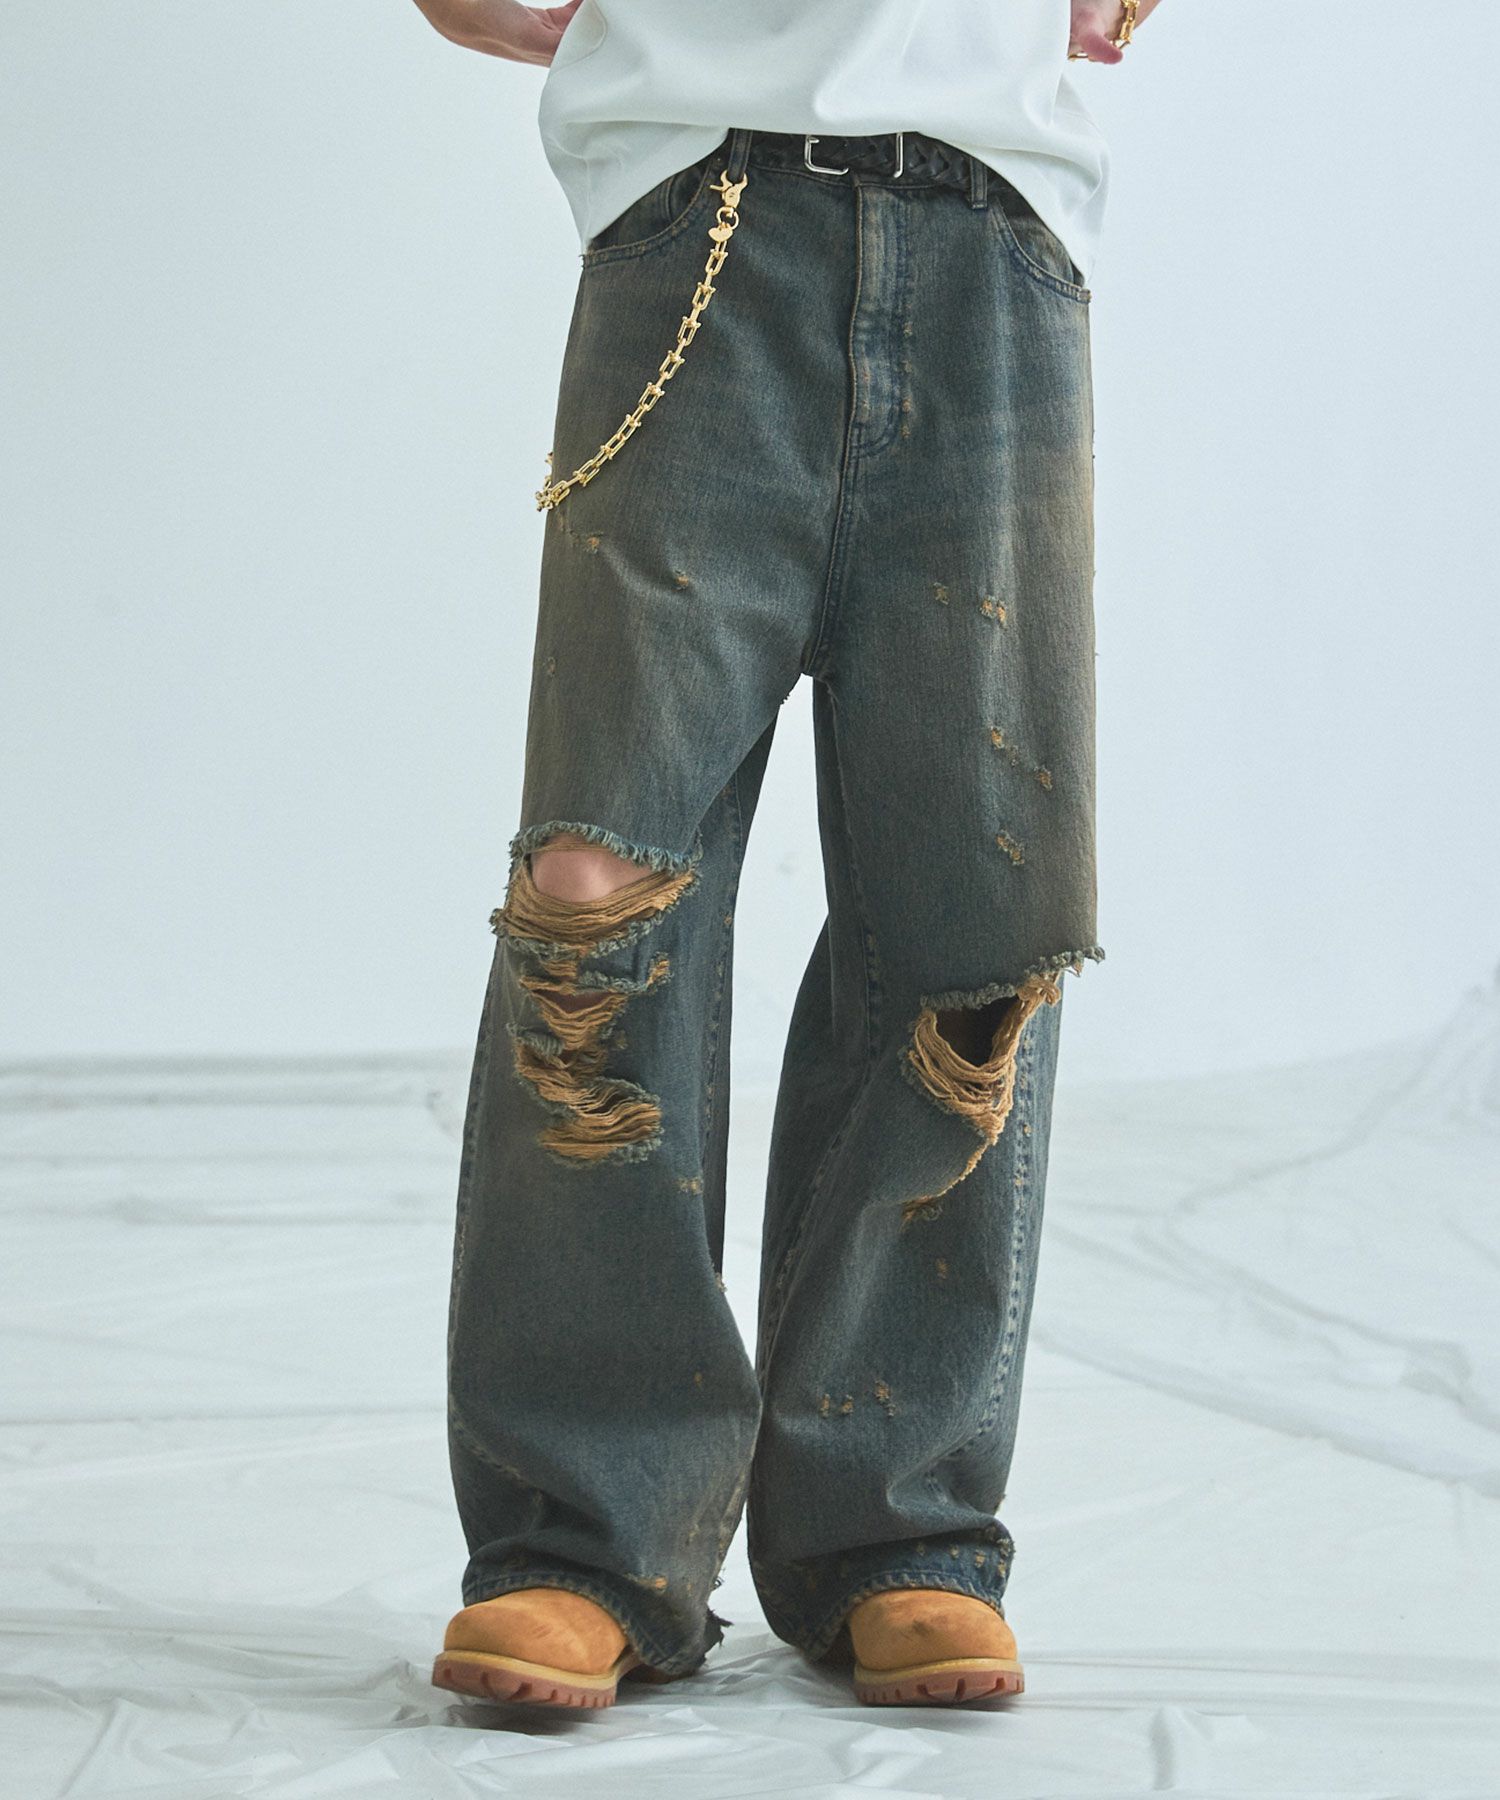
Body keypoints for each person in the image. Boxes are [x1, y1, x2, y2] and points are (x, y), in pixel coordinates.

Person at [412, 0, 1161, 1712]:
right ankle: (583, 1535)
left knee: (976, 909)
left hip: (990, 222)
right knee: (598, 886)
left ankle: (896, 1523)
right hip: (698, 219)